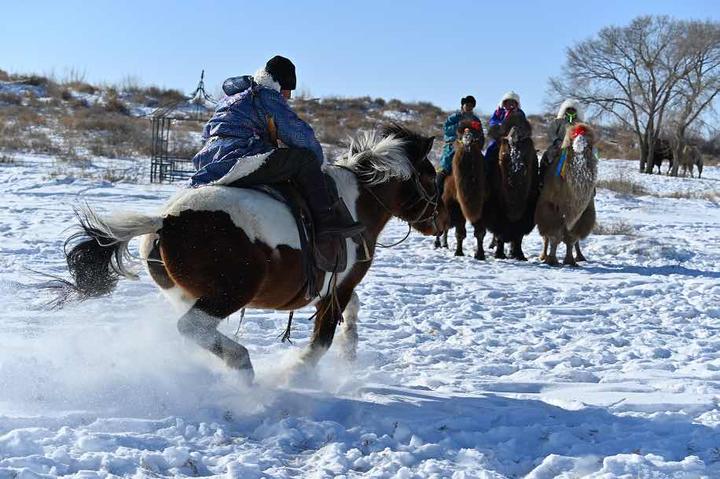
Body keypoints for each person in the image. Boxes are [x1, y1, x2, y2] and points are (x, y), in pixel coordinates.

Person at [191, 55, 363, 272]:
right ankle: (327, 224)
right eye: (288, 91)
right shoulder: (267, 96)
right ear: (280, 84)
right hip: (240, 158)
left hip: (210, 161)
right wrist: (320, 161)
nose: (288, 97)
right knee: (305, 160)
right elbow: (300, 136)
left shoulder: (235, 97)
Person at [436, 96, 482, 197]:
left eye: (471, 105)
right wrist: (460, 125)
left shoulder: (476, 120)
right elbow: (446, 129)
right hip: (454, 145)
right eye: (467, 105)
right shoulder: (455, 117)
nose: (469, 107)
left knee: (483, 164)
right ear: (462, 106)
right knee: (445, 166)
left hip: (471, 146)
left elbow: (480, 134)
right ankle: (436, 194)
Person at [540, 99, 583, 186]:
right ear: (565, 110)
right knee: (546, 156)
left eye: (573, 110)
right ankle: (542, 179)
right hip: (558, 145)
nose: (570, 111)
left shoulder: (580, 124)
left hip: (575, 147)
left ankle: (590, 186)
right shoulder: (558, 121)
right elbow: (551, 132)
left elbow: (583, 135)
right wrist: (556, 140)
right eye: (569, 109)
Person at [485, 91, 527, 159]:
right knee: (491, 148)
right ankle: (487, 167)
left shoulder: (519, 113)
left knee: (526, 149)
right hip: (500, 136)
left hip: (514, 136)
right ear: (504, 103)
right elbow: (493, 121)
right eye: (508, 102)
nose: (510, 104)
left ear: (516, 104)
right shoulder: (499, 112)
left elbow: (522, 123)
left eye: (512, 102)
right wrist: (500, 124)